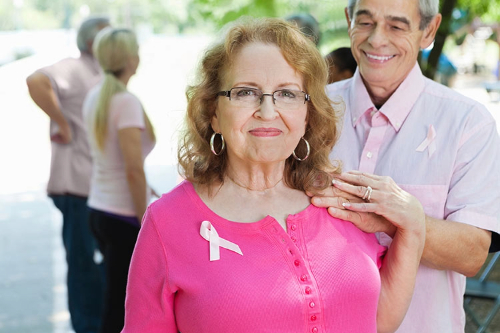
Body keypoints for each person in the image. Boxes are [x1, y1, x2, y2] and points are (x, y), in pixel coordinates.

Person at [121, 17, 425, 333]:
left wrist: (413, 226)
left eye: (287, 94)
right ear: (214, 113)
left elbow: (376, 322)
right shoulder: (168, 222)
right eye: (245, 92)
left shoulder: (340, 200)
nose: (267, 112)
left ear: (308, 113)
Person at [311, 0, 500, 332]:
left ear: (428, 30)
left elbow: (472, 254)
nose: (377, 40)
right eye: (366, 22)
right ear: (348, 20)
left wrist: (393, 219)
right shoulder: (308, 111)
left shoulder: (468, 123)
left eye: (397, 26)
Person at [26, 16, 110, 333]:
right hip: (76, 186)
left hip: (96, 185)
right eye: (107, 36)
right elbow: (36, 80)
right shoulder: (74, 67)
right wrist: (61, 122)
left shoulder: (102, 74)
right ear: (91, 42)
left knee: (100, 267)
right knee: (85, 267)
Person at [83, 27, 156, 333]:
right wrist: (144, 220)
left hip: (99, 207)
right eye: (136, 50)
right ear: (130, 59)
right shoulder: (123, 101)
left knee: (114, 298)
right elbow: (132, 169)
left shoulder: (96, 95)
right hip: (121, 216)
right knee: (121, 307)